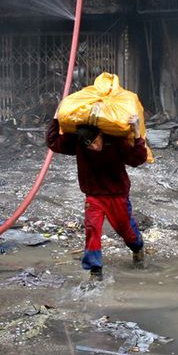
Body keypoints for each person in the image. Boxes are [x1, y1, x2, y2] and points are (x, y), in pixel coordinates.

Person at [47, 114, 147, 281]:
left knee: (125, 230)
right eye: (89, 145)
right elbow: (53, 142)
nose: (93, 147)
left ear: (101, 134)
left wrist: (137, 132)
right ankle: (95, 270)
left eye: (95, 142)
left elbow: (138, 159)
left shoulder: (115, 141)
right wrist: (55, 118)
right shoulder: (78, 143)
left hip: (117, 195)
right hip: (93, 196)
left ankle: (137, 247)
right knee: (92, 229)